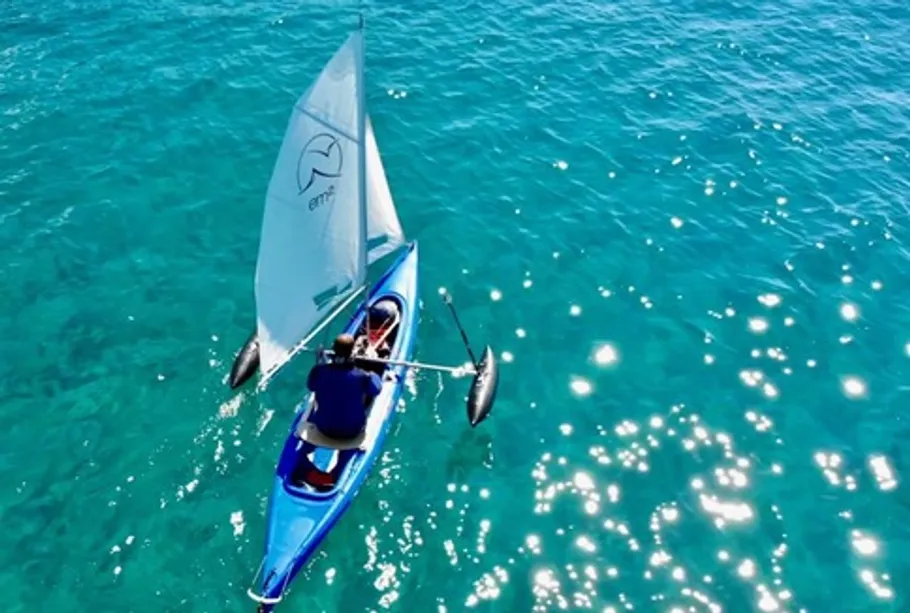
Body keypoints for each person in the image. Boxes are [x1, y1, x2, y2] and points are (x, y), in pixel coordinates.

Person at [306, 333, 382, 440]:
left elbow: (311, 386)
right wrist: (373, 374)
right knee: (369, 389)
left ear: (333, 349)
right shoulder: (362, 376)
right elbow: (377, 390)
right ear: (352, 351)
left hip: (323, 428)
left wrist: (319, 365)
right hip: (352, 431)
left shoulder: (319, 371)